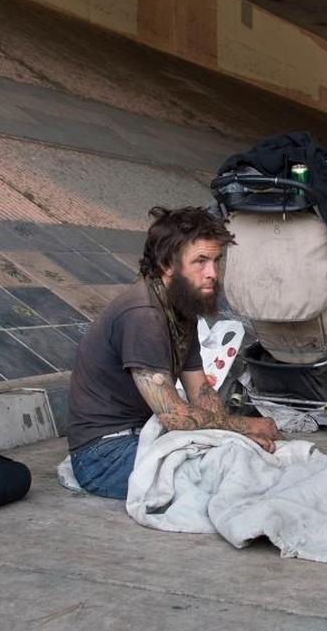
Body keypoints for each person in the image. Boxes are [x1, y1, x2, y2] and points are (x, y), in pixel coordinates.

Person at [66, 206, 280, 499]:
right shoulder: (144, 315)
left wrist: (235, 436)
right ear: (168, 263)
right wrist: (245, 425)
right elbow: (175, 417)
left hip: (143, 437)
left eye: (217, 261)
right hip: (102, 456)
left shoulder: (182, 307)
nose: (212, 274)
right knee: (231, 475)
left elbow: (201, 391)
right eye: (201, 261)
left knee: (248, 458)